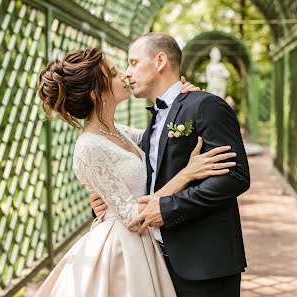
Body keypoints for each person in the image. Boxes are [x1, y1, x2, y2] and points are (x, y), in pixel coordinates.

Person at [34, 47, 238, 297]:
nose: (124, 76)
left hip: (151, 244)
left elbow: (163, 144)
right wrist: (187, 174)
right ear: (96, 93)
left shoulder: (121, 132)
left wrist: (184, 101)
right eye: (113, 73)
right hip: (121, 248)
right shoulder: (87, 146)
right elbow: (131, 215)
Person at [93, 32, 250, 297]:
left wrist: (167, 209)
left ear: (160, 60)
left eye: (134, 62)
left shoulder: (206, 106)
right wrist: (105, 199)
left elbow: (235, 175)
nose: (128, 73)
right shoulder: (152, 122)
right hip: (155, 259)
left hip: (204, 262)